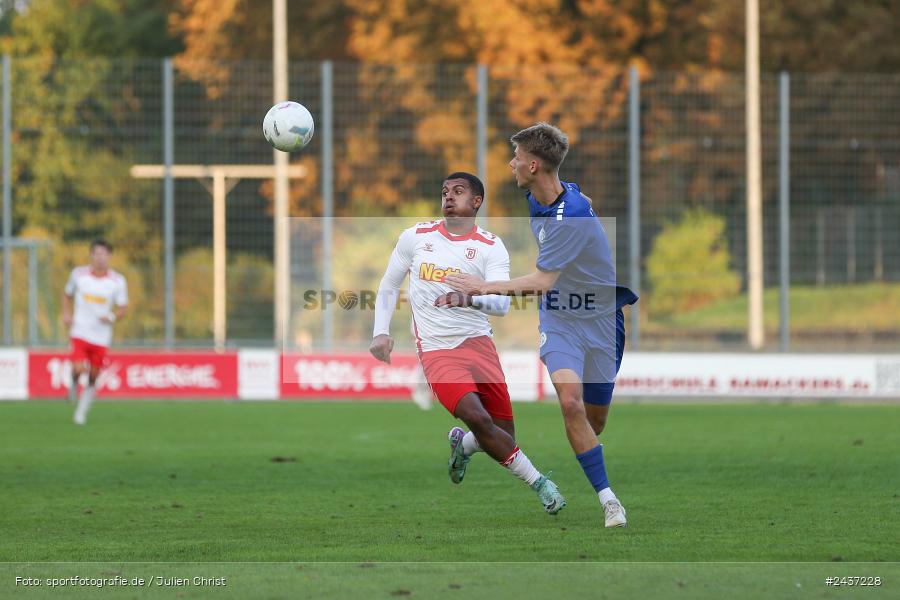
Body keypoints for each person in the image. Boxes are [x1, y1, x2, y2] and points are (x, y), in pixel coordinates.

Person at [445, 124, 639, 528]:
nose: (510, 163)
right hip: (561, 318)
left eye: (516, 157)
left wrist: (482, 286)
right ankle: (610, 502)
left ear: (534, 166)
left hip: (603, 322)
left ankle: (469, 442)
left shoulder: (571, 216)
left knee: (593, 422)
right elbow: (578, 197)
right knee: (570, 404)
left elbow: (541, 281)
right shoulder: (541, 195)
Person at [370, 172, 565, 514]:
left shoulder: (490, 245)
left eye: (458, 191)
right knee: (477, 417)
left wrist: (469, 297)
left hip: (479, 345)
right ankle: (540, 484)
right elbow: (389, 284)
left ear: (476, 202)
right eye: (445, 191)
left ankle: (464, 446)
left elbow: (501, 306)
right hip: (437, 351)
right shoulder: (415, 237)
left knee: (502, 433)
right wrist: (380, 332)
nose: (448, 196)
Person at [62, 240, 128, 425]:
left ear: (109, 256)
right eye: (97, 254)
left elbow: (123, 308)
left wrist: (111, 317)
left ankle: (81, 412)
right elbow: (67, 295)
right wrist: (66, 314)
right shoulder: (78, 275)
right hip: (80, 331)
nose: (100, 258)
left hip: (101, 337)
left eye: (104, 254)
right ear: (91, 255)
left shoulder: (117, 281)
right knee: (78, 368)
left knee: (93, 375)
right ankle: (73, 384)